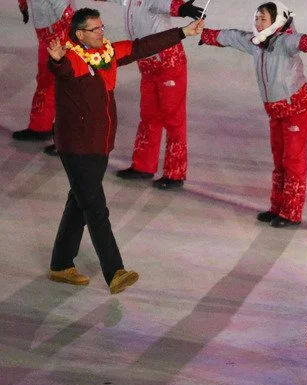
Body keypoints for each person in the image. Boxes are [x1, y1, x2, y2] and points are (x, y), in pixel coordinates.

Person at [46, 7, 203, 294]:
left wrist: (182, 32)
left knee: (79, 202)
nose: (101, 32)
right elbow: (62, 69)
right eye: (95, 29)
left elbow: (143, 46)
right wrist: (55, 59)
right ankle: (115, 271)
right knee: (95, 209)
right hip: (77, 146)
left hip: (100, 144)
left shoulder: (107, 53)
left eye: (102, 27)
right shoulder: (72, 58)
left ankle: (60, 264)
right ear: (79, 34)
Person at [198, 2, 307, 227]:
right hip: (275, 110)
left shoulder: (283, 41)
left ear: (276, 21)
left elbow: (297, 41)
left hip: (295, 108)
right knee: (279, 160)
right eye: (257, 18)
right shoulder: (256, 43)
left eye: (263, 19)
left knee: (293, 161)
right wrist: (207, 35)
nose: (258, 23)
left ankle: (291, 212)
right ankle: (277, 207)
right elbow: (233, 37)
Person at [103, 0, 205, 190]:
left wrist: (182, 8)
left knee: (173, 119)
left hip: (168, 62)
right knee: (149, 116)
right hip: (146, 63)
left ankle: (175, 173)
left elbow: (166, 4)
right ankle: (143, 166)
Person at [13, 0, 74, 156]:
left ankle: (68, 139)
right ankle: (40, 126)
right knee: (46, 82)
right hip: (47, 35)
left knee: (59, 85)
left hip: (57, 35)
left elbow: (63, 8)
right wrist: (23, 5)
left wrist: (75, 34)